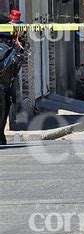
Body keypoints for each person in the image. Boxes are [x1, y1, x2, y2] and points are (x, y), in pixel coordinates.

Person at [0, 10, 22, 145]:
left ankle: (1, 133)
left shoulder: (20, 28)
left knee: (8, 100)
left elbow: (23, 45)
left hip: (9, 73)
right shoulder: (4, 26)